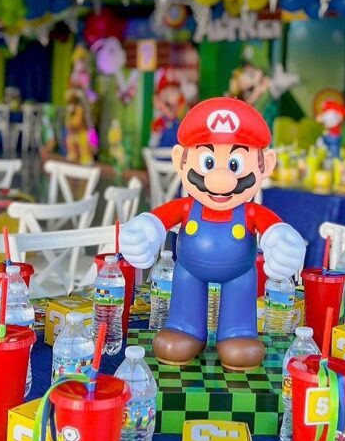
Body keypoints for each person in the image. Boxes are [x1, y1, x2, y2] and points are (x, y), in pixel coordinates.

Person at [121, 98, 305, 370]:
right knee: (184, 307)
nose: (220, 180)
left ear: (265, 165)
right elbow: (158, 219)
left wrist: (282, 240)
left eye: (234, 165)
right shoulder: (186, 206)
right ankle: (185, 328)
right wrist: (146, 229)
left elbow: (274, 228)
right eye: (208, 161)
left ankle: (238, 333)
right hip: (189, 271)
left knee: (239, 333)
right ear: (180, 160)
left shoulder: (250, 212)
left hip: (239, 274)